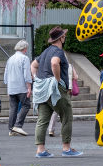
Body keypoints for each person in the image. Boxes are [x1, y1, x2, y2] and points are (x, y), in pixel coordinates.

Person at [31, 26, 82, 158]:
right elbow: (54, 63)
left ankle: (40, 150)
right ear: (61, 38)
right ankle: (66, 148)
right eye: (64, 36)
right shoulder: (58, 52)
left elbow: (33, 65)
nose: (65, 37)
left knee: (42, 120)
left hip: (42, 89)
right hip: (55, 89)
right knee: (66, 116)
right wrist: (58, 80)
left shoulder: (45, 51)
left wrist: (36, 78)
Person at [4, 39, 33, 137]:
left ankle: (11, 129)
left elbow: (6, 75)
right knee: (26, 105)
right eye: (26, 48)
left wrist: (8, 86)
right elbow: (27, 75)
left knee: (13, 108)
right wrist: (29, 87)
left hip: (12, 87)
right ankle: (18, 125)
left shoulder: (10, 59)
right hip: (21, 87)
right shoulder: (24, 58)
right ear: (24, 48)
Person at [47, 51, 77, 138]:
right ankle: (63, 131)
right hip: (68, 90)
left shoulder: (56, 66)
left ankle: (51, 129)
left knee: (56, 111)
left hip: (58, 89)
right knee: (66, 112)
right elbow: (76, 77)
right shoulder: (70, 66)